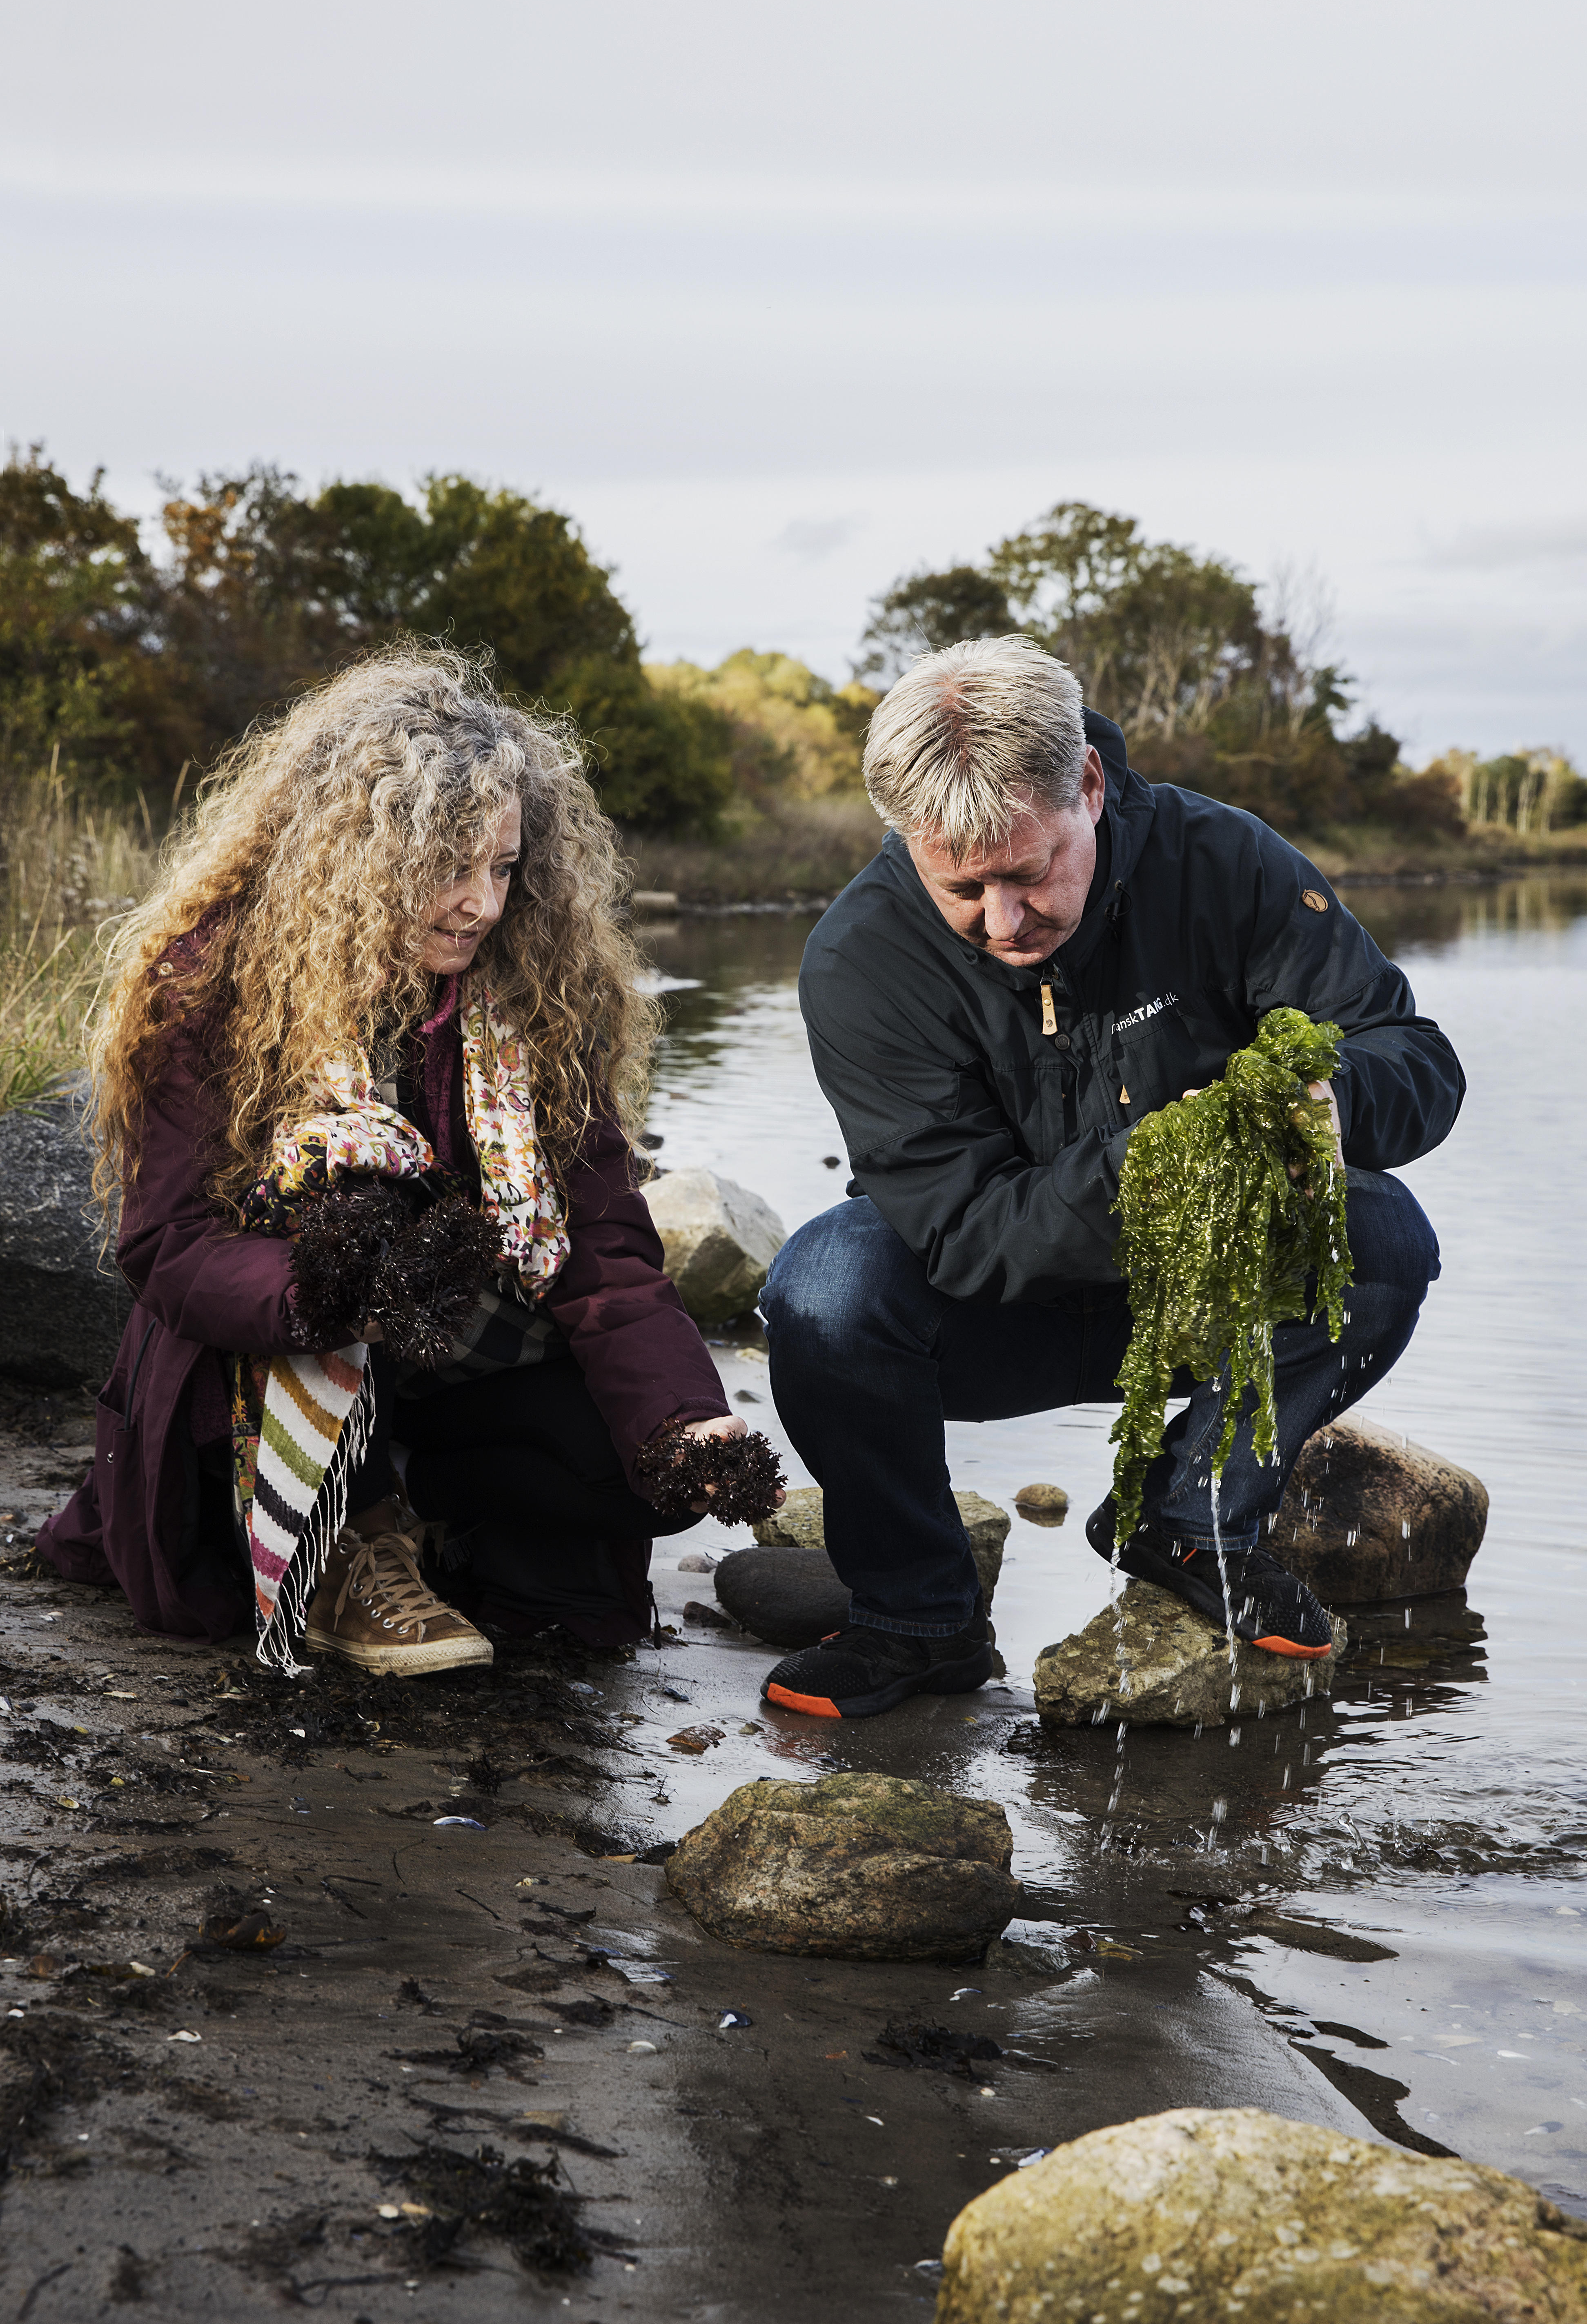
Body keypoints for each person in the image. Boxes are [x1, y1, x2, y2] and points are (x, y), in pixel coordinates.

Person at [759, 637, 1462, 1719]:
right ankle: (916, 1616)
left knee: (1385, 1241)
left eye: (1030, 873)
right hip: (992, 1315)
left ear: (1087, 784)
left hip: (1207, 1294)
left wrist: (1339, 1098)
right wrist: (1169, 1167)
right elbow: (964, 1233)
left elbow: (1416, 1057)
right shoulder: (861, 959)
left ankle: (1189, 1519)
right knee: (823, 1288)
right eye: (962, 886)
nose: (1003, 922)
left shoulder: (1223, 863)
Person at [39, 646, 742, 1674]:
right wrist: (332, 1292)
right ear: (354, 854)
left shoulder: (542, 996)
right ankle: (344, 1539)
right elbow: (170, 1244)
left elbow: (601, 1248)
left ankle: (415, 1502)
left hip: (454, 1341)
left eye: (502, 868)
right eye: (446, 868)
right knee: (353, 1193)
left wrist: (690, 1422)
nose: (482, 906)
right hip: (277, 1351)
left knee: (636, 1473)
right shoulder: (209, 986)